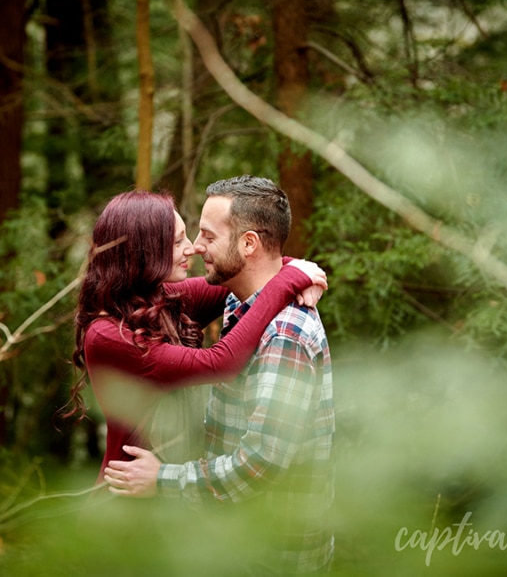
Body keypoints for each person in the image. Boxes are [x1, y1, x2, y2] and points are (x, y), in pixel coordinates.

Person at [103, 176, 336, 575]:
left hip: (273, 554)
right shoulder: (236, 300)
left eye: (207, 235)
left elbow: (260, 463)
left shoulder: (286, 335)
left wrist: (163, 480)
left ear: (248, 244)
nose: (195, 246)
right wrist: (295, 270)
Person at [69, 190, 327, 482]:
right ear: (143, 250)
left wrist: (297, 269)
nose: (192, 248)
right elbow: (220, 363)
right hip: (133, 496)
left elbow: (249, 271)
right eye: (178, 241)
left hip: (174, 491)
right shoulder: (108, 335)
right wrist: (292, 278)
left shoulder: (160, 299)